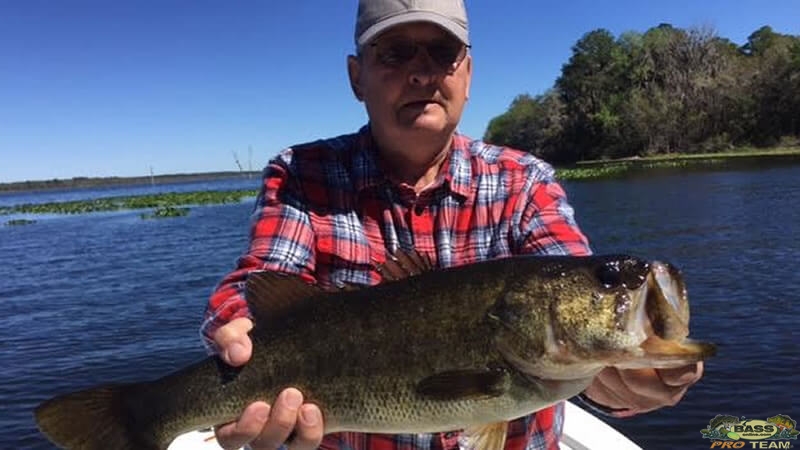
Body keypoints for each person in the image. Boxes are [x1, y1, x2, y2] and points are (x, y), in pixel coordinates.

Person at [201, 1, 705, 449]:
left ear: (467, 73)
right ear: (357, 77)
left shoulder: (525, 180)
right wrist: (235, 330)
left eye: (442, 53)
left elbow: (569, 301)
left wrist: (622, 382)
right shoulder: (300, 174)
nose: (422, 73)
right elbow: (259, 283)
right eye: (395, 53)